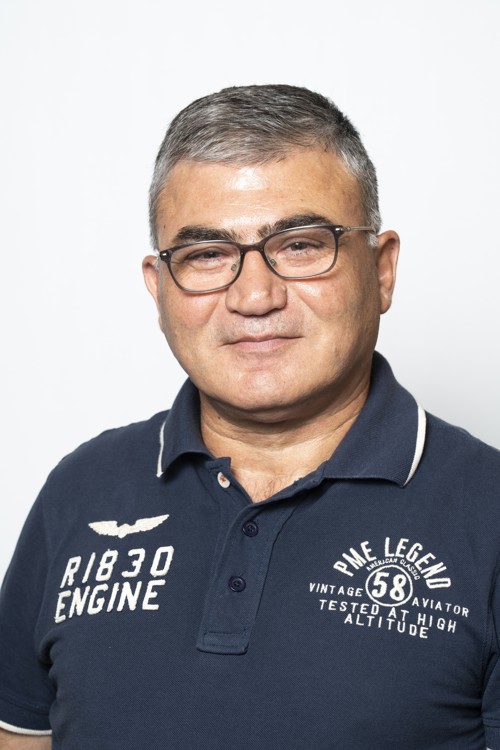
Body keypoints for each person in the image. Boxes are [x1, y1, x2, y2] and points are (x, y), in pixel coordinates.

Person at [0, 84, 499, 750]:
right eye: (207, 255)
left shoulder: (488, 512)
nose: (254, 296)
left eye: (300, 245)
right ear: (159, 288)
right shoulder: (82, 489)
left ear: (382, 271)